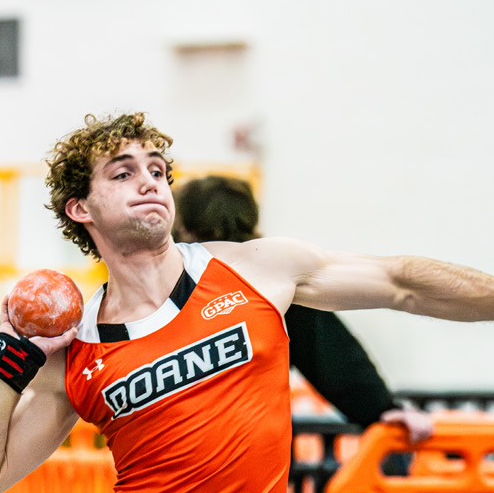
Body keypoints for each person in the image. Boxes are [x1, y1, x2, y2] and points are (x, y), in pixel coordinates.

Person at [0, 112, 494, 493]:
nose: (149, 182)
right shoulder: (78, 344)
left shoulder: (258, 270)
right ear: (80, 208)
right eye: (123, 173)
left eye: (157, 170)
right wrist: (10, 360)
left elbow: (404, 283)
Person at [172, 175, 433, 440]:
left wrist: (382, 409)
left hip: (192, 443)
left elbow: (331, 353)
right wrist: (382, 408)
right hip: (254, 445)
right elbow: (332, 355)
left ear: (183, 228)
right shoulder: (270, 281)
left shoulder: (173, 282)